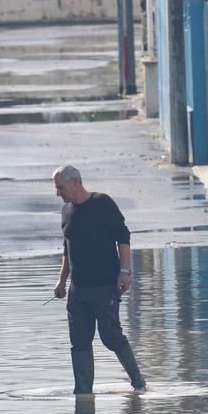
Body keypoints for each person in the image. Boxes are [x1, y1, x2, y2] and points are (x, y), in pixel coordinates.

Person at [51, 165, 146, 395]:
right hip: (78, 291)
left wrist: (125, 271)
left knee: (111, 337)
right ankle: (83, 395)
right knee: (79, 342)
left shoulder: (102, 203)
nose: (58, 193)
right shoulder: (66, 211)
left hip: (105, 287)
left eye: (60, 187)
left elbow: (123, 236)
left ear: (75, 181)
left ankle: (139, 383)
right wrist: (61, 281)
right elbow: (67, 249)